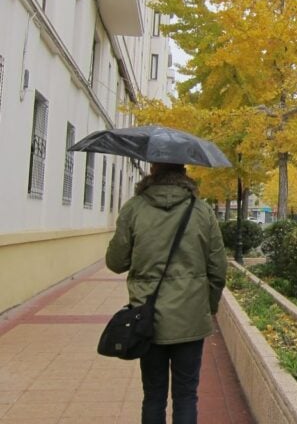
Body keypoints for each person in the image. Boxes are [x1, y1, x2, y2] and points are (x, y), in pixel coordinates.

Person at [106, 163, 228, 424]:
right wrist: (209, 306)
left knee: (153, 395)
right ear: (183, 172)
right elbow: (218, 269)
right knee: (186, 395)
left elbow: (116, 262)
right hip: (191, 316)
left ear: (153, 170)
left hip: (147, 319)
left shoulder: (134, 208)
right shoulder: (202, 211)